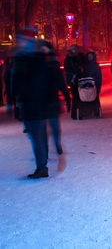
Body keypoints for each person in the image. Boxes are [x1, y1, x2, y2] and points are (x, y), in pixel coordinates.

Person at [11, 29, 68, 178]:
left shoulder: (26, 62)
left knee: (37, 137)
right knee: (40, 136)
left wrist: (17, 101)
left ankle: (42, 167)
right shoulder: (41, 62)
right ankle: (43, 165)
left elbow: (20, 84)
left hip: (33, 105)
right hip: (39, 105)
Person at [64, 45, 84, 119]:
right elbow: (70, 69)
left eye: (76, 49)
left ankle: (79, 113)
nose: (75, 51)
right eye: (73, 49)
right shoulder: (69, 59)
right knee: (76, 97)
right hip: (73, 80)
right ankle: (75, 114)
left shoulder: (77, 57)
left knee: (79, 97)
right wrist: (79, 70)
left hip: (77, 79)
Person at [83, 51, 102, 116]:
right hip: (87, 84)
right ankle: (88, 111)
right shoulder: (85, 65)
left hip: (94, 84)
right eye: (89, 57)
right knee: (87, 98)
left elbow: (99, 76)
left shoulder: (96, 66)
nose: (90, 58)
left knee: (95, 98)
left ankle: (96, 111)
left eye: (91, 56)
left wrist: (99, 86)